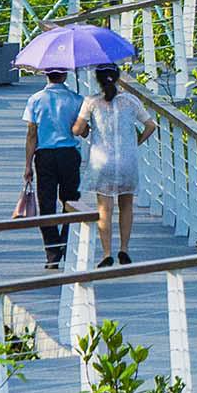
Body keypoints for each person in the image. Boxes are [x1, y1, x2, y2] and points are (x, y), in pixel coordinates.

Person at [72, 64, 153, 266]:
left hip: (102, 161)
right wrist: (136, 143)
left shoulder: (91, 102)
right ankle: (124, 250)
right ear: (117, 78)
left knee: (104, 209)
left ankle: (107, 253)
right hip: (127, 161)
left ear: (97, 80)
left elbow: (77, 129)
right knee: (126, 206)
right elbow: (151, 125)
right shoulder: (131, 100)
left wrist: (84, 129)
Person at [21, 68, 85, 269]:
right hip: (69, 154)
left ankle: (52, 252)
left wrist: (27, 165)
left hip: (45, 155)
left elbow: (32, 133)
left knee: (46, 204)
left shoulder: (36, 99)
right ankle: (66, 243)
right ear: (65, 75)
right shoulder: (76, 99)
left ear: (46, 74)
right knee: (70, 201)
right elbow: (83, 131)